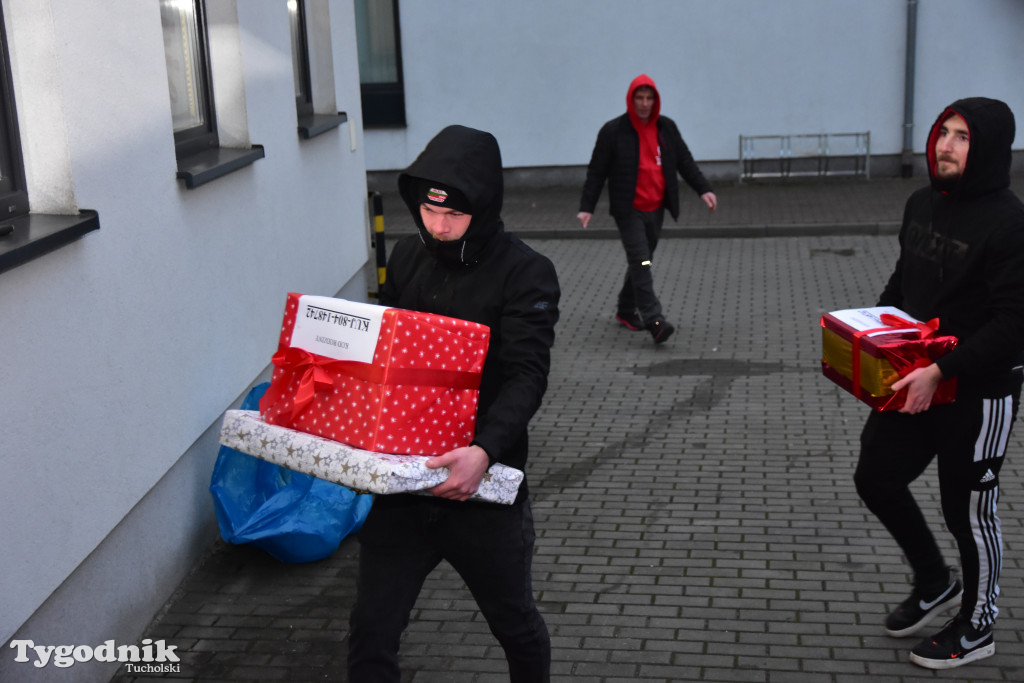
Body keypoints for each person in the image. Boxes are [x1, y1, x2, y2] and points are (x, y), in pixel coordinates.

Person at [347, 125, 559, 682]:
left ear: (484, 207)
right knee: (371, 631)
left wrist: (484, 451)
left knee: (514, 625)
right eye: (428, 212)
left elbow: (526, 376)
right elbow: (384, 354)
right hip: (402, 489)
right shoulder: (408, 255)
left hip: (482, 490)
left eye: (454, 216)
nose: (437, 228)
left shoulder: (526, 272)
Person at [853, 97, 1024, 670]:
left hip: (980, 389)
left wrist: (942, 371)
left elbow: (1015, 326)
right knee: (876, 475)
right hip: (916, 376)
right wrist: (871, 337)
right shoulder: (919, 203)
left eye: (962, 137)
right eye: (942, 132)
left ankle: (978, 627)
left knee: (969, 511)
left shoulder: (1010, 222)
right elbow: (905, 283)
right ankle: (934, 581)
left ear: (989, 149)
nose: (945, 146)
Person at [577, 74, 717, 344]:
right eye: (639, 98)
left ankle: (625, 310)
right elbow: (597, 172)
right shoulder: (613, 131)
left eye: (648, 98)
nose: (644, 103)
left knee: (641, 261)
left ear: (655, 100)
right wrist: (586, 207)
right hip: (628, 210)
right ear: (631, 99)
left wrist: (704, 189)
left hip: (656, 209)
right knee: (642, 262)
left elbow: (684, 162)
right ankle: (655, 320)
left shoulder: (666, 128)